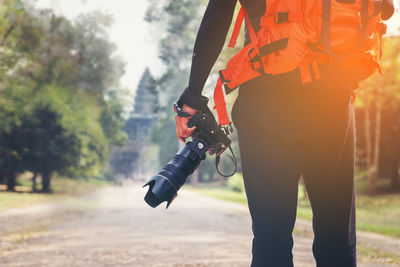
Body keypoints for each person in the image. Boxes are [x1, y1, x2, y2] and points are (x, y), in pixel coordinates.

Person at [174, 1, 395, 266]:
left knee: (272, 238)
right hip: (331, 105)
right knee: (336, 237)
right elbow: (386, 9)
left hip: (266, 106)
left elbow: (217, 17)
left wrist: (192, 98)